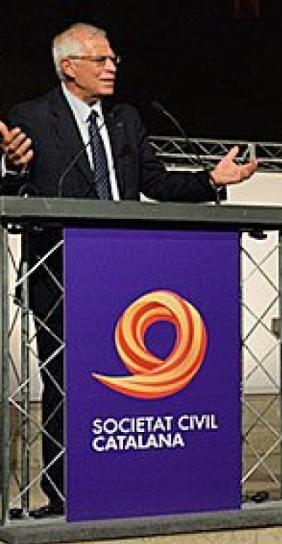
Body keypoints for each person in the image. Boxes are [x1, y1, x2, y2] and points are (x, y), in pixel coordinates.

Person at [0, 22, 258, 518]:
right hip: (61, 277)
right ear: (68, 67)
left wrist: (212, 179)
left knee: (122, 383)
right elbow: (19, 198)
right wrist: (12, 169)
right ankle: (65, 495)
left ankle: (125, 483)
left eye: (113, 59)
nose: (112, 66)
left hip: (126, 276)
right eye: (101, 59)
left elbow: (155, 183)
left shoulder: (126, 120)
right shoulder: (31, 117)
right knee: (66, 385)